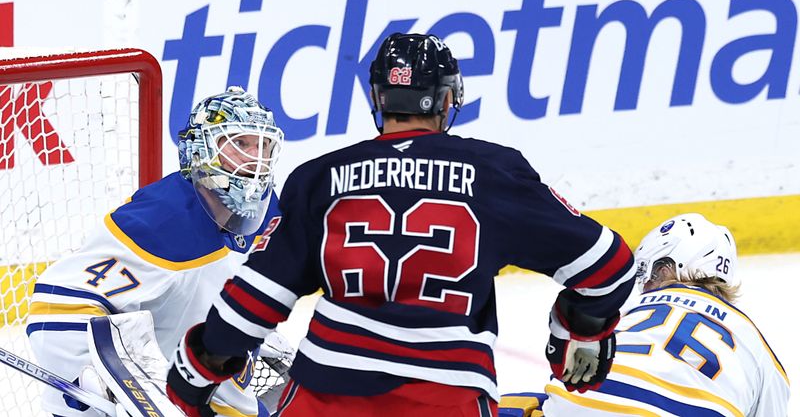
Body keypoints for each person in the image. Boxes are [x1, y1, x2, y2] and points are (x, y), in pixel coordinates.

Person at [165, 33, 636, 417]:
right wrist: (580, 330)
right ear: (449, 99)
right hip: (446, 400)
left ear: (377, 97)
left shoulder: (320, 179)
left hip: (325, 399)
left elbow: (256, 299)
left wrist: (200, 367)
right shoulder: (494, 173)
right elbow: (609, 267)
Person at [26, 86, 291, 417]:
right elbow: (55, 306)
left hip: (203, 394)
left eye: (264, 146)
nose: (256, 160)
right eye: (240, 144)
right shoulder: (162, 221)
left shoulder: (267, 214)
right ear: (200, 151)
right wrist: (104, 380)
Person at [540, 213, 790, 416]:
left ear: (664, 267)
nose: (645, 285)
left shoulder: (627, 313)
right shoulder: (756, 346)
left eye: (647, 273)